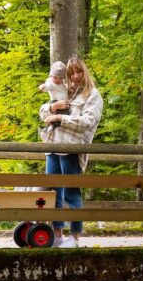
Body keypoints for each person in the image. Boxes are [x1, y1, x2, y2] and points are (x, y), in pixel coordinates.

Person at [39, 55, 104, 248]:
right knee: (53, 194)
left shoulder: (92, 95)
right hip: (53, 147)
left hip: (72, 150)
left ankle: (74, 238)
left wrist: (59, 118)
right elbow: (43, 112)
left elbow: (87, 123)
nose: (75, 76)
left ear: (85, 71)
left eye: (78, 71)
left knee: (71, 194)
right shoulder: (65, 90)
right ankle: (57, 235)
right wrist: (52, 107)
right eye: (71, 73)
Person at [38, 61, 69, 142]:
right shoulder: (50, 82)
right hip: (55, 102)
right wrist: (43, 87)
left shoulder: (63, 83)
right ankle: (49, 128)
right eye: (55, 77)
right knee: (59, 116)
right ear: (51, 75)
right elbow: (47, 86)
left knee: (63, 116)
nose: (58, 80)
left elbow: (65, 89)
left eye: (61, 78)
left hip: (64, 103)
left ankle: (49, 129)